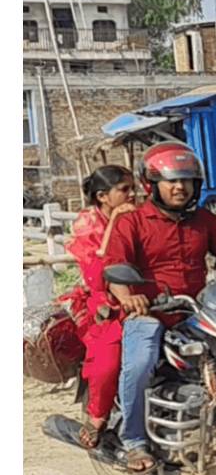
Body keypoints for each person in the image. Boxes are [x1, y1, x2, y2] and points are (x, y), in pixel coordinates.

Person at [103, 143, 216, 472]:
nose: (180, 187)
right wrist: (128, 298)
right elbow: (114, 268)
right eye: (171, 181)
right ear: (152, 185)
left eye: (186, 180)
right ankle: (133, 440)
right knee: (140, 362)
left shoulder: (204, 220)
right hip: (149, 313)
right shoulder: (133, 222)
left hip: (195, 311)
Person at [62, 165, 136, 448]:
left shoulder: (136, 215)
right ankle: (97, 418)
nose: (132, 195)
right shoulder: (87, 225)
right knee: (109, 360)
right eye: (124, 190)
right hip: (105, 304)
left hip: (142, 295)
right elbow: (97, 274)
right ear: (103, 196)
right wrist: (115, 221)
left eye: (133, 188)